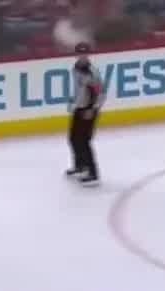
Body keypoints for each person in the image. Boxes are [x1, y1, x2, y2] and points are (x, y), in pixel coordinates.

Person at [64, 43, 104, 186]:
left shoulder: (91, 72)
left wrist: (92, 109)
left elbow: (99, 93)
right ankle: (80, 166)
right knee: (73, 138)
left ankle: (93, 173)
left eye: (85, 54)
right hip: (79, 108)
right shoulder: (75, 68)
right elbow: (79, 88)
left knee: (84, 141)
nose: (82, 56)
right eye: (80, 53)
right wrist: (73, 101)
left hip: (89, 110)